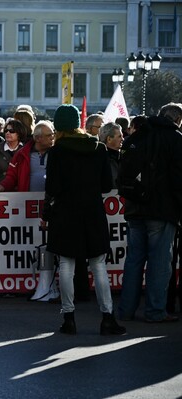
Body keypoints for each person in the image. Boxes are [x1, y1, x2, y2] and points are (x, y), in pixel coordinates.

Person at [43, 104, 125, 336]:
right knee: (99, 265)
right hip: (92, 212)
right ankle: (107, 317)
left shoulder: (57, 151)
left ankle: (69, 318)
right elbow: (106, 185)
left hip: (65, 214)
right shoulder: (98, 148)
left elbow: (53, 188)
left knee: (67, 265)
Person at [118, 103, 182, 323]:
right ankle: (155, 311)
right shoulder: (175, 138)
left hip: (135, 207)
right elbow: (178, 179)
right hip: (161, 209)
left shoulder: (138, 135)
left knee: (134, 259)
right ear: (178, 120)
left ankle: (125, 310)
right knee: (159, 261)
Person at [0, 120, 55, 193]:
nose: (52, 138)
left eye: (53, 134)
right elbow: (12, 176)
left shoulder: (57, 154)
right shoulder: (22, 154)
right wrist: (2, 186)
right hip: (28, 201)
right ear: (37, 138)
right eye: (49, 135)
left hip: (52, 201)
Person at [0, 119, 24, 185]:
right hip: (1, 190)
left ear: (19, 133)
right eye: (6, 131)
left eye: (12, 131)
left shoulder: (25, 150)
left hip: (20, 190)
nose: (8, 133)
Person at [99, 122, 123, 189]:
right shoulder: (101, 159)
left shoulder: (123, 157)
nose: (122, 139)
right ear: (109, 139)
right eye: (119, 136)